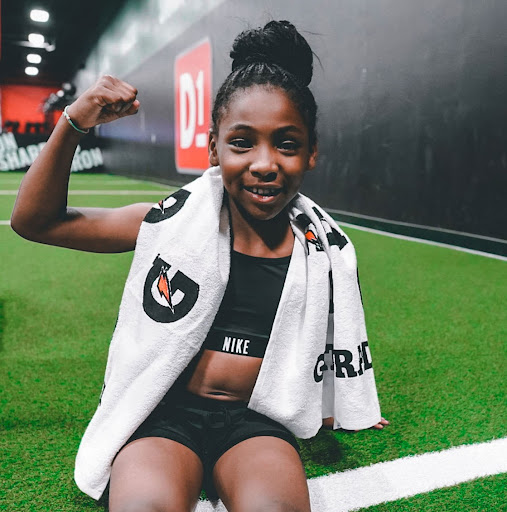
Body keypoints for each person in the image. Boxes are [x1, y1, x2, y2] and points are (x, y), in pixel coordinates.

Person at [11, 20, 387, 512]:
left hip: (255, 422)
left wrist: (342, 398)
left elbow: (329, 342)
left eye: (287, 143)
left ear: (311, 151)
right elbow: (36, 221)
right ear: (213, 147)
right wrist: (74, 122)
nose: (264, 163)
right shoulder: (167, 223)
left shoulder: (322, 252)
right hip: (163, 415)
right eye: (242, 142)